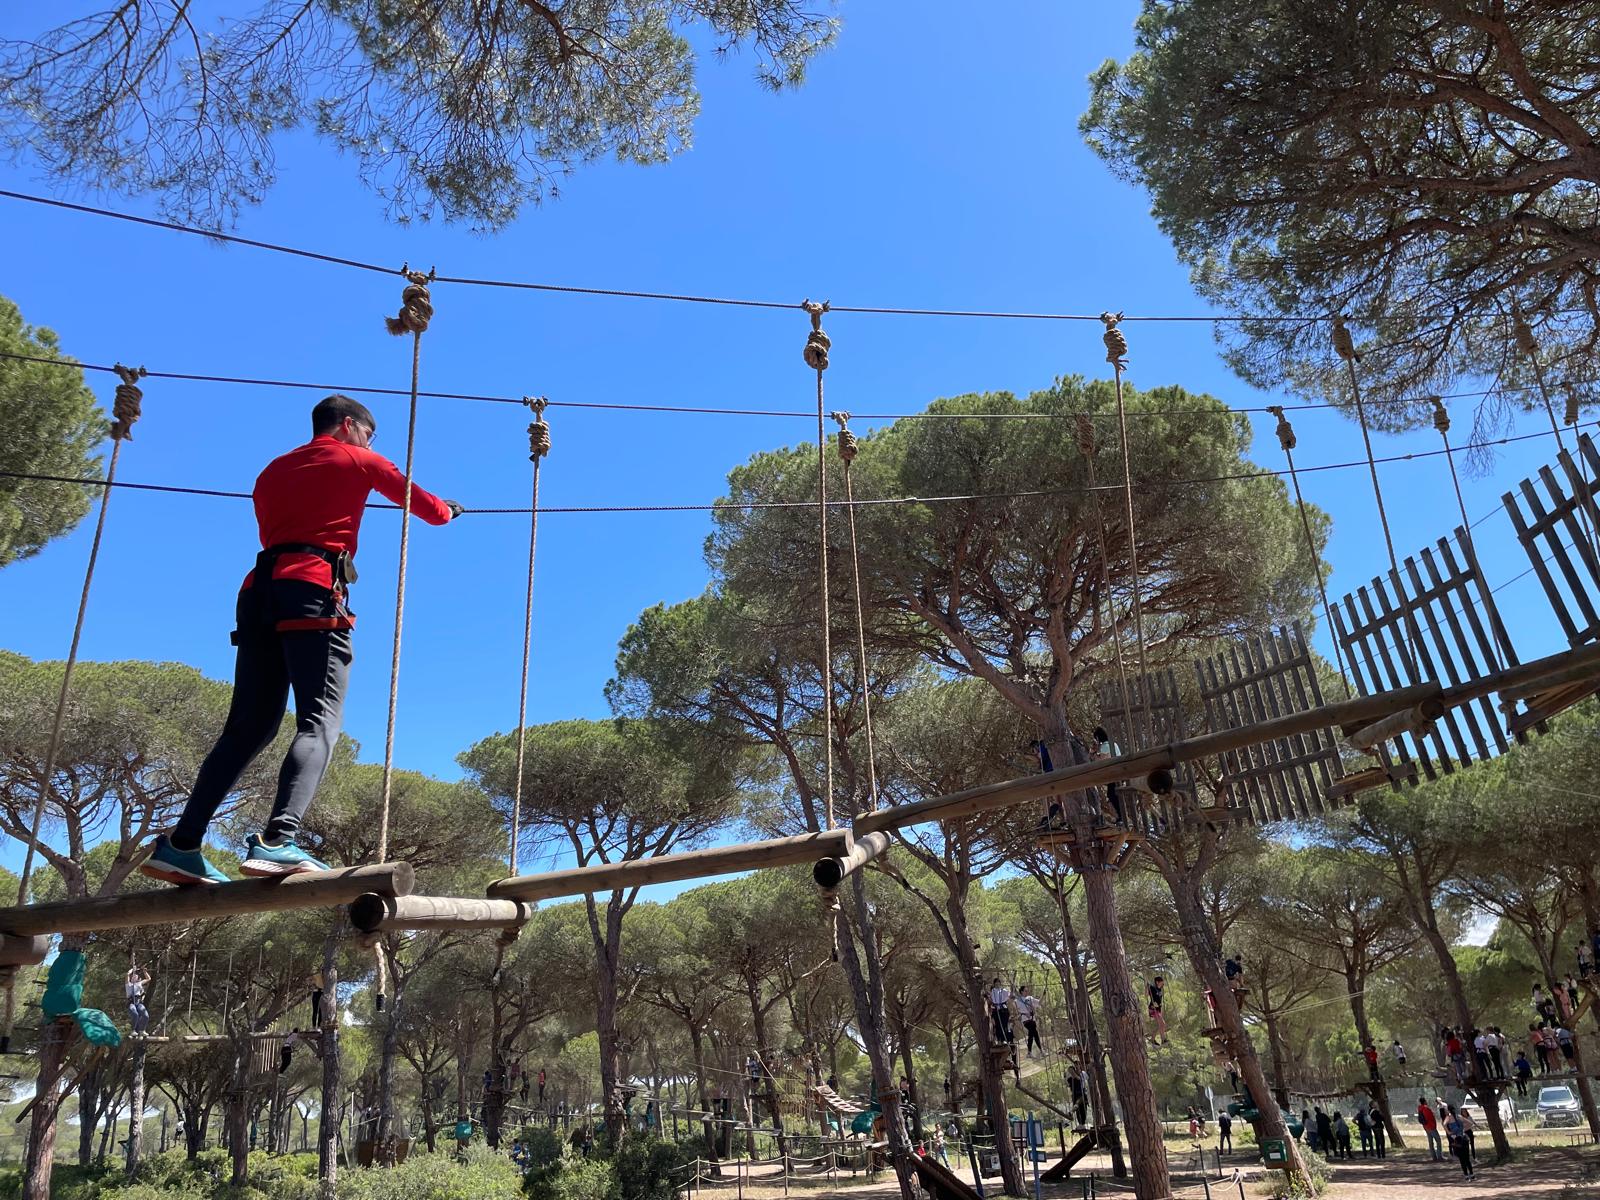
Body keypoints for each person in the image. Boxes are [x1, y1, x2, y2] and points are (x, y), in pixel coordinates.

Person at [142, 395, 461, 884]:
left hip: (258, 591)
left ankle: (182, 845)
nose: (370, 443)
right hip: (312, 589)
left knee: (247, 728)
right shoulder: (359, 458)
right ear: (350, 425)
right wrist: (451, 510)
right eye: (370, 434)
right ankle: (278, 841)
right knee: (319, 721)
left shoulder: (272, 470)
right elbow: (430, 510)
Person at [1443, 1106, 1473, 1181]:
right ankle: (1472, 1174)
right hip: (1464, 1138)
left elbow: (1444, 1124)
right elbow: (1470, 1123)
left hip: (1456, 1139)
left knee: (1462, 1159)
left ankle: (1466, 1175)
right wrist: (1463, 1129)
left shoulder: (1448, 1118)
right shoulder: (1459, 1116)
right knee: (1467, 1158)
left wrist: (1449, 1132)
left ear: (1449, 1110)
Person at [1016, 984, 1043, 1057]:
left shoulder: (1030, 998)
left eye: (1027, 991)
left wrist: (1043, 995)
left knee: (1033, 1033)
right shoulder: (1018, 1000)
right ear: (1021, 992)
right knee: (1033, 1032)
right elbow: (1017, 1010)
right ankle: (1038, 1051)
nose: (1027, 992)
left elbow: (1038, 1003)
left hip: (1032, 1019)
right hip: (1026, 1020)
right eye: (1025, 991)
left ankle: (1031, 1052)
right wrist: (1025, 1013)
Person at [125, 965, 151, 1034]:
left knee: (146, 1016)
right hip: (131, 1002)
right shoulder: (128, 985)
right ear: (131, 978)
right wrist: (132, 970)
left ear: (137, 979)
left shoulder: (139, 984)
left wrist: (145, 972)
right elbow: (127, 974)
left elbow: (148, 979)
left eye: (136, 976)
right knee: (135, 1014)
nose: (135, 977)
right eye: (133, 976)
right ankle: (133, 1030)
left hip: (138, 1002)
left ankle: (142, 1030)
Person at [988, 978, 1014, 1044]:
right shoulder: (992, 991)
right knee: (998, 1025)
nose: (997, 984)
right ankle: (999, 1039)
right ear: (994, 984)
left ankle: (1005, 1039)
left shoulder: (1004, 991)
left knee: (1004, 1024)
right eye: (996, 983)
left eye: (998, 982)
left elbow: (1010, 996)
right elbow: (990, 999)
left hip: (1004, 1009)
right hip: (996, 1009)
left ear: (1000, 983)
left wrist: (1012, 988)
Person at [1147, 976, 1168, 1044]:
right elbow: (1146, 994)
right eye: (1161, 982)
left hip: (1158, 1010)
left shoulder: (1160, 989)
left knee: (1160, 1025)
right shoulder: (1152, 988)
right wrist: (1146, 986)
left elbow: (1159, 1000)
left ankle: (1152, 1039)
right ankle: (1163, 1039)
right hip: (1153, 1009)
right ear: (1157, 982)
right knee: (1163, 1024)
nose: (1162, 983)